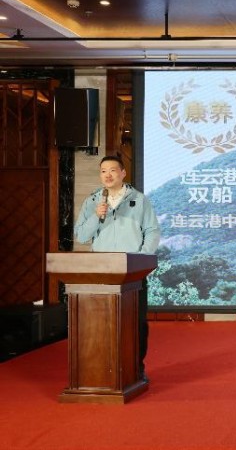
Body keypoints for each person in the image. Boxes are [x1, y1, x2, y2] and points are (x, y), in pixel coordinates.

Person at [74, 155, 160, 379]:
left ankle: (136, 368)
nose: (108, 175)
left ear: (123, 173)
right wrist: (96, 216)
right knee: (102, 322)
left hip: (132, 270)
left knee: (136, 323)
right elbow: (81, 236)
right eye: (103, 171)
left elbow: (152, 230)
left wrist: (141, 258)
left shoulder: (139, 200)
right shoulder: (93, 201)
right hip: (101, 271)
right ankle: (103, 368)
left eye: (113, 170)